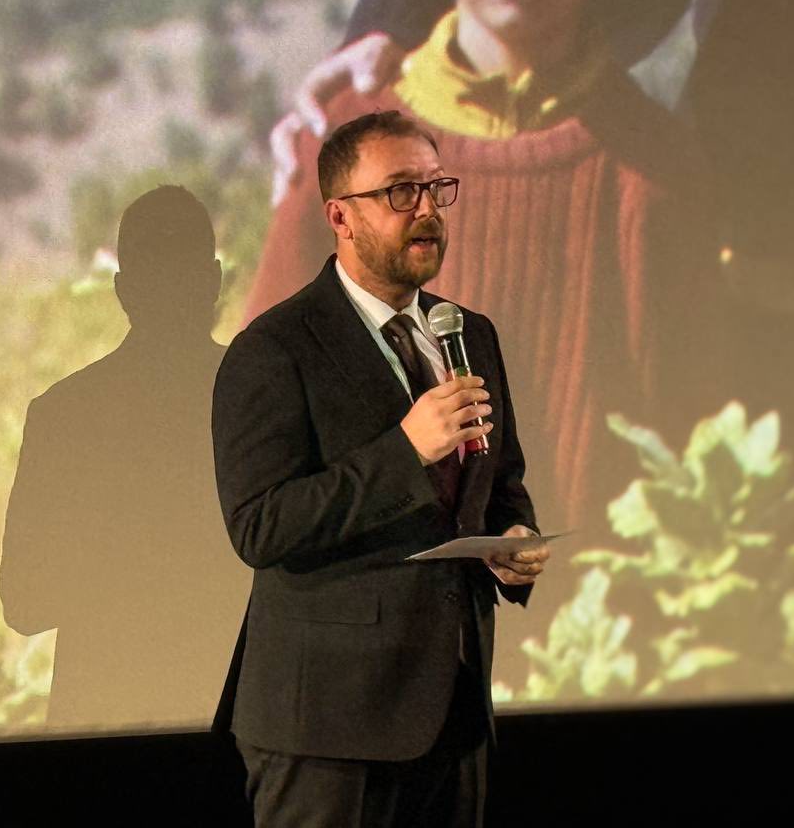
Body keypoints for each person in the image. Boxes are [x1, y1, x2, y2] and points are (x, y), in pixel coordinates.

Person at [245, 0, 721, 556]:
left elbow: (690, 436)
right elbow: (262, 425)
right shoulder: (344, 151)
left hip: (592, 601)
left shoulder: (655, 170)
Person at [212, 111, 548, 826]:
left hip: (454, 713)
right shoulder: (274, 348)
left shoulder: (469, 332)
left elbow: (499, 480)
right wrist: (405, 451)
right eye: (400, 191)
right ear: (340, 215)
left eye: (436, 188)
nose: (427, 210)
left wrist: (514, 536)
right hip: (327, 730)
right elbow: (260, 525)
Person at [0, 185, 249, 729]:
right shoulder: (265, 400)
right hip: (239, 723)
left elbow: (23, 601)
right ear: (214, 282)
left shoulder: (62, 415)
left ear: (122, 291)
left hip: (102, 728)